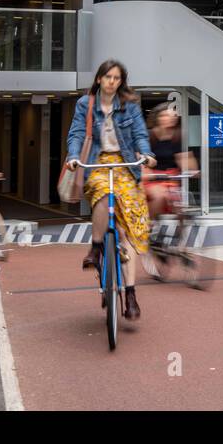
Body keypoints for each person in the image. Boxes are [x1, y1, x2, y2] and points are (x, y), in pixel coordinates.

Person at [65, 59, 156, 320]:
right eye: (107, 77)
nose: (112, 82)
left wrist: (147, 154)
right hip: (98, 161)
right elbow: (77, 133)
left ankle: (130, 294)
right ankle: (95, 248)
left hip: (126, 163)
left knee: (126, 232)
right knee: (103, 196)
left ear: (121, 81)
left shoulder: (130, 105)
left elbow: (140, 134)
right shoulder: (86, 104)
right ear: (99, 79)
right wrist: (72, 156)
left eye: (116, 78)